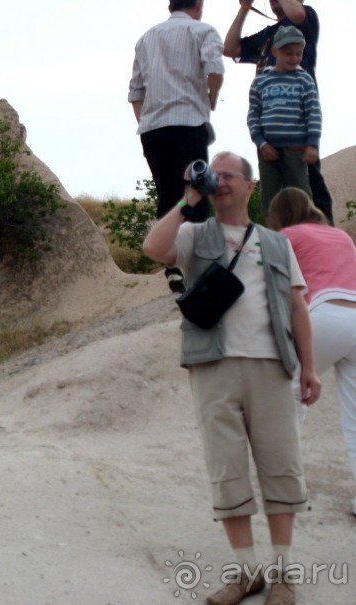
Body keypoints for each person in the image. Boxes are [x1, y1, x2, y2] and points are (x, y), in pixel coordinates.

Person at [142, 152, 320, 605]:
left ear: (250, 185)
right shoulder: (193, 232)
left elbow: (297, 307)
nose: (218, 181)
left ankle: (283, 573)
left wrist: (309, 367)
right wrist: (187, 200)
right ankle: (246, 573)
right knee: (227, 469)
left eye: (228, 175)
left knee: (281, 465)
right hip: (213, 364)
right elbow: (154, 249)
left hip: (271, 365)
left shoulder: (277, 244)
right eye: (213, 175)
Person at [267, 187, 356, 518]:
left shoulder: (287, 236)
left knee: (290, 396)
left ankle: (285, 487)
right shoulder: (340, 235)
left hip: (324, 314)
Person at [128, 0, 224, 293]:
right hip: (188, 122)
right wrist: (211, 98)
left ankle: (173, 267)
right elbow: (215, 70)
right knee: (196, 192)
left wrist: (146, 122)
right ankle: (203, 268)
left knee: (168, 194)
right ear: (199, 5)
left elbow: (135, 92)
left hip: (153, 129)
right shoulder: (202, 31)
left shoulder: (146, 38)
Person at [224, 0, 334, 225]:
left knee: (309, 188)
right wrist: (245, 8)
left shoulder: (305, 18)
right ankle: (281, 241)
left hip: (297, 130)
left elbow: (296, 13)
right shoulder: (267, 36)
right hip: (270, 131)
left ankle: (325, 237)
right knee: (273, 198)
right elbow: (229, 49)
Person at [247, 25, 321, 217]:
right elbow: (253, 115)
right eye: (288, 53)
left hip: (295, 149)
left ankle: (306, 231)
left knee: (302, 198)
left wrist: (312, 144)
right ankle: (274, 233)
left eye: (299, 53)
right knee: (270, 201)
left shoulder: (304, 80)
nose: (294, 58)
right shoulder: (261, 81)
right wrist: (261, 143)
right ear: (275, 51)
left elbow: (313, 113)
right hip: (268, 150)